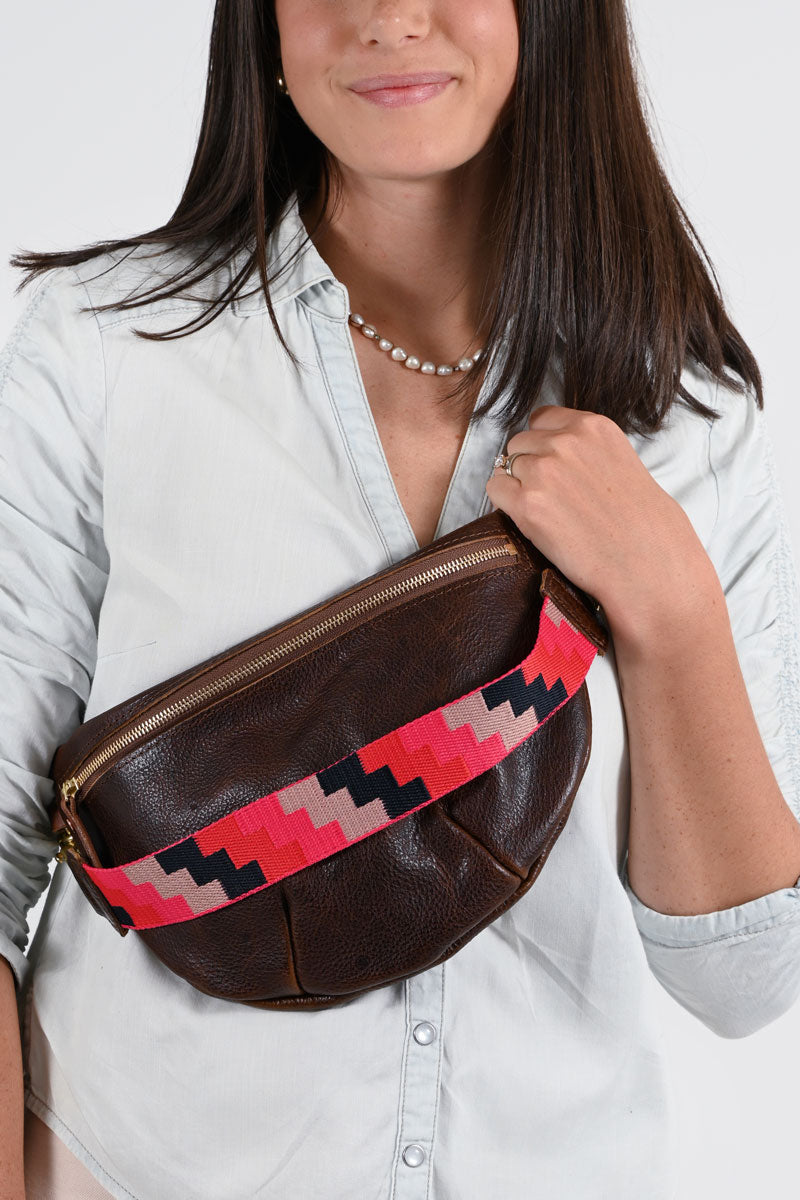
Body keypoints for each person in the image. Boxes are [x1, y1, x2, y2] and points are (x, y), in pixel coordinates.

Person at [2, 1, 800, 1197]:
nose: (387, 18)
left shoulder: (683, 415)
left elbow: (742, 985)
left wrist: (670, 605)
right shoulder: (102, 351)